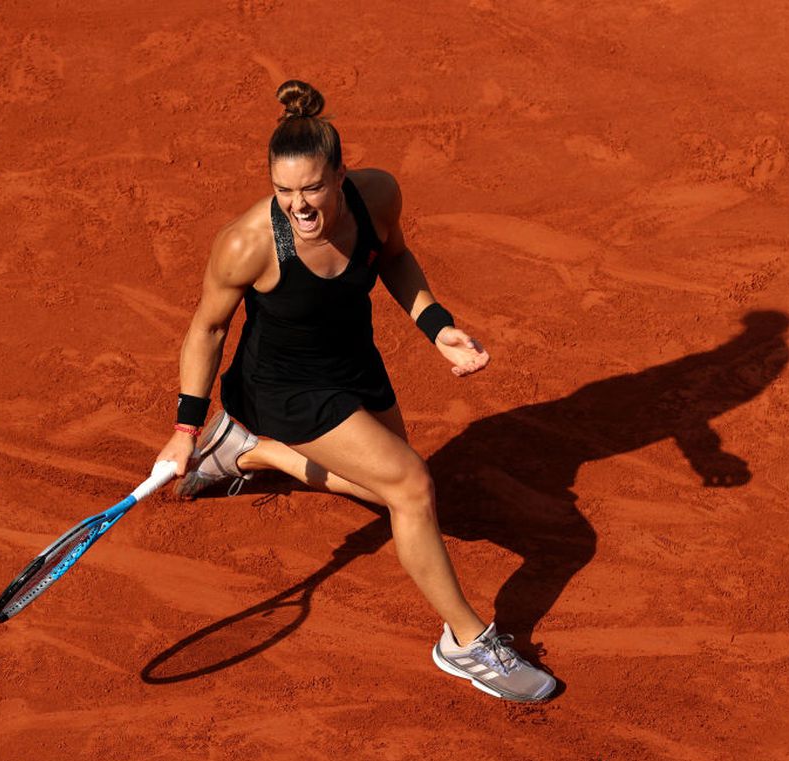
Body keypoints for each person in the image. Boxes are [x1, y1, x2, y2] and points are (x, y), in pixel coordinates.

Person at [155, 80, 556, 702]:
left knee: (392, 492)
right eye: (284, 191)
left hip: (353, 363)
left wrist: (437, 326)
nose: (299, 205)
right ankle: (467, 643)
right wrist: (184, 429)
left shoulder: (378, 196)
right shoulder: (246, 244)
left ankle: (250, 452)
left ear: (341, 173)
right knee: (412, 487)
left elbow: (394, 257)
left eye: (312, 187)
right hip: (283, 388)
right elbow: (207, 329)